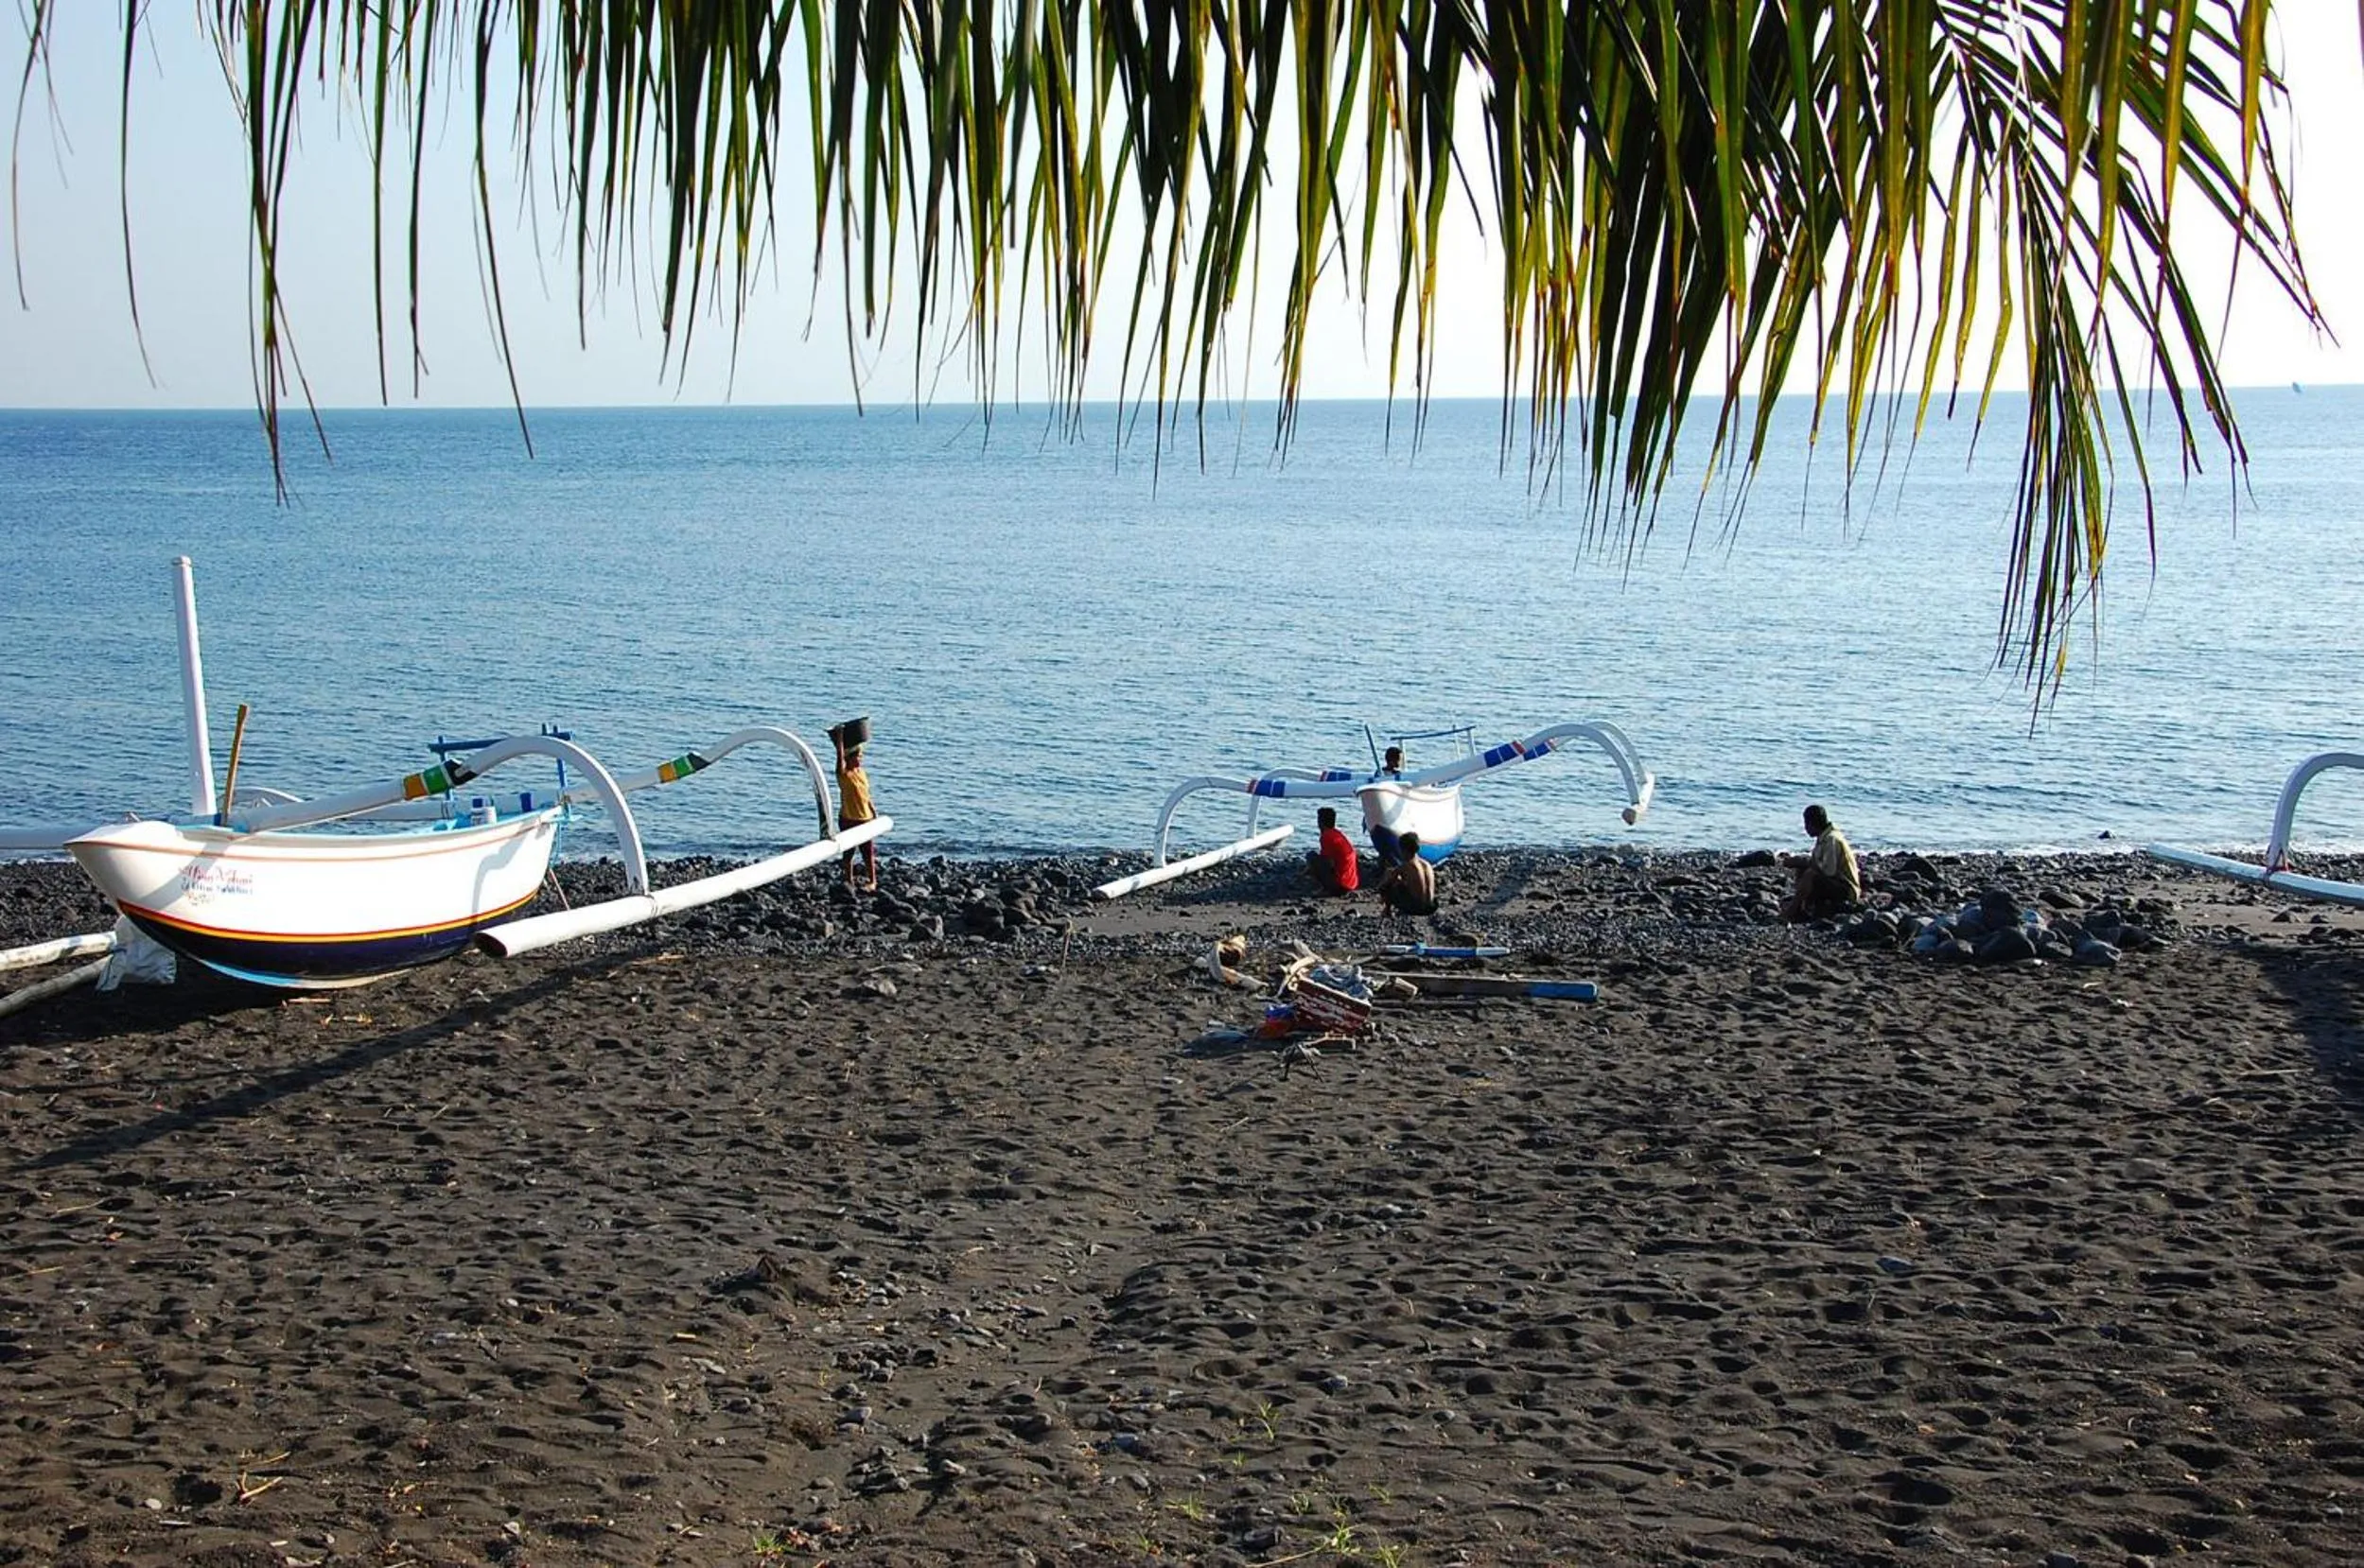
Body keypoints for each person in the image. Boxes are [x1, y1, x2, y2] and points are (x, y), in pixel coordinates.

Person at [1779, 803, 1860, 921]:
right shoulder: (1824, 837)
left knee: (1809, 874)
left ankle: (1792, 910)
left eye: (1807, 824)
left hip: (1846, 889)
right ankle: (1803, 908)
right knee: (1802, 869)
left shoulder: (1831, 839)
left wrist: (1806, 863)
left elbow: (1829, 871)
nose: (1805, 828)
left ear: (1814, 823)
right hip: (1836, 883)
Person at [833, 724, 879, 891]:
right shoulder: (844, 775)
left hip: (864, 818)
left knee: (868, 852)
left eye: (861, 756)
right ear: (850, 758)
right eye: (858, 756)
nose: (861, 759)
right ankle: (848, 880)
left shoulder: (861, 773)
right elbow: (839, 759)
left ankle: (872, 881)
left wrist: (873, 811)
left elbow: (866, 794)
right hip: (848, 818)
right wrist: (840, 738)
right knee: (849, 852)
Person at [1376, 831, 1438, 915]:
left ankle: (1387, 910)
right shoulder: (1427, 865)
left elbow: (1384, 885)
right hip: (1431, 906)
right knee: (1398, 879)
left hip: (1417, 909)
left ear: (1404, 850)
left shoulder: (1406, 866)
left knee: (1389, 879)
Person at [1368, 745, 1409, 867]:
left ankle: (1387, 859)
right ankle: (1384, 860)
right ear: (1390, 760)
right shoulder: (1380, 773)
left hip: (1392, 810)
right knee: (1384, 838)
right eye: (1398, 760)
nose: (1399, 763)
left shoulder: (1399, 774)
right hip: (1383, 809)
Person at [1305, 805, 1360, 894]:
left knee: (1311, 856)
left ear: (1321, 822)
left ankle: (1326, 888)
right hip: (1352, 883)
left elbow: (1328, 862)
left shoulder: (1326, 836)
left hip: (1340, 885)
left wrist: (1310, 870)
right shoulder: (1337, 834)